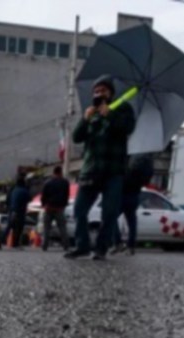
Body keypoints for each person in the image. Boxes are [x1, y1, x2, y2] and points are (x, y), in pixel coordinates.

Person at [65, 74, 136, 261]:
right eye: (96, 91)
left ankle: (101, 248)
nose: (99, 93)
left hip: (113, 170)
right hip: (90, 170)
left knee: (109, 213)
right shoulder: (91, 112)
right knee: (79, 210)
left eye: (103, 90)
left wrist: (110, 114)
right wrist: (84, 119)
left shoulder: (123, 108)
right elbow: (77, 138)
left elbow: (128, 128)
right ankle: (82, 246)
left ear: (111, 93)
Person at [117, 154, 154, 255]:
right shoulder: (145, 163)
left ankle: (118, 243)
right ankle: (131, 246)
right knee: (132, 223)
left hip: (123, 194)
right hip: (135, 195)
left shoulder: (130, 160)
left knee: (111, 218)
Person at [40, 166, 71, 252]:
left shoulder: (48, 183)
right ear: (60, 172)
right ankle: (66, 246)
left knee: (46, 228)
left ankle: (44, 246)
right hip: (59, 208)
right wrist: (64, 205)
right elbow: (66, 195)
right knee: (62, 228)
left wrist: (43, 204)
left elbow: (43, 196)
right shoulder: (65, 183)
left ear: (54, 173)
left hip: (49, 207)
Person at [7, 174, 31, 249]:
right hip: (20, 211)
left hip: (12, 210)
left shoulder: (13, 189)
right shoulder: (24, 190)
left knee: (11, 226)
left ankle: (0, 241)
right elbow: (29, 198)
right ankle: (15, 243)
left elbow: (8, 199)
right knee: (19, 227)